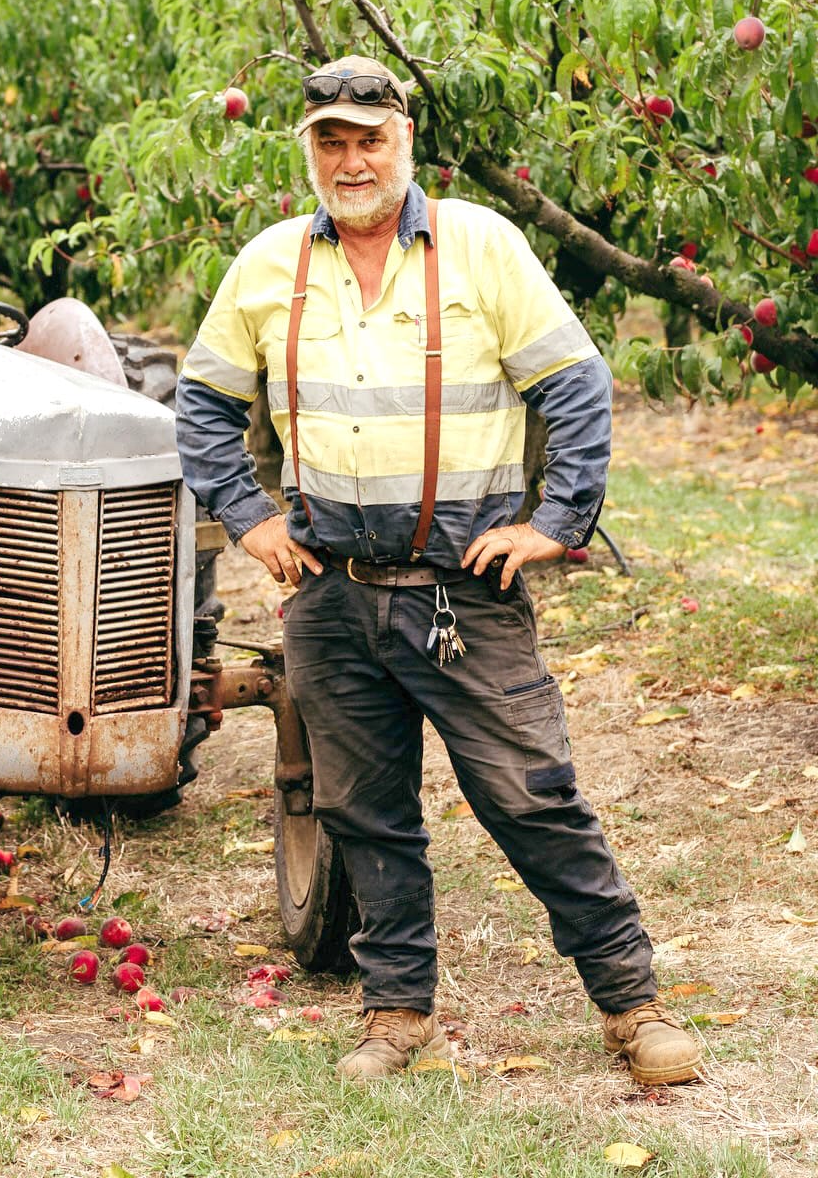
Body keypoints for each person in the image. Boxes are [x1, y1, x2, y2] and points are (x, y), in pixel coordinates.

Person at [174, 56, 700, 1087]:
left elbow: (575, 384)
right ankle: (397, 1013)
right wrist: (250, 516)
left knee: (533, 799)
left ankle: (633, 1005)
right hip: (331, 593)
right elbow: (201, 401)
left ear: (404, 141)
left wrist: (556, 524)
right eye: (331, 142)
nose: (352, 161)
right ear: (309, 152)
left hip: (464, 592)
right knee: (363, 812)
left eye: (369, 140)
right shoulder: (271, 263)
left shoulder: (480, 245)